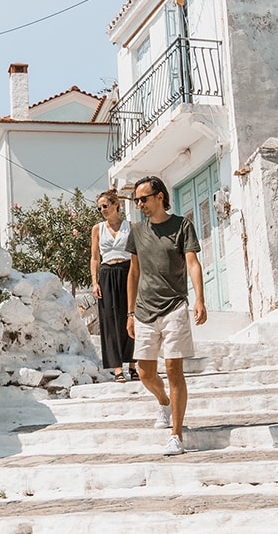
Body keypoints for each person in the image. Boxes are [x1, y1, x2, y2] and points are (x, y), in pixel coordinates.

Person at [125, 176, 207, 455]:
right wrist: (130, 313)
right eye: (137, 200)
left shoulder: (182, 225)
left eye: (144, 199)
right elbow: (133, 272)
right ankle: (163, 402)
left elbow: (192, 263)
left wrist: (200, 299)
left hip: (175, 305)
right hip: (145, 309)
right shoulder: (136, 231)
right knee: (144, 371)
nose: (140, 204)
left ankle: (177, 435)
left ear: (160, 197)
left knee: (173, 368)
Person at [90, 188, 136, 383]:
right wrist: (94, 281)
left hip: (128, 272)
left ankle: (133, 365)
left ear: (116, 205)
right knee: (110, 321)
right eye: (99, 207)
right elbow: (94, 257)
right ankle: (118, 368)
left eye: (105, 206)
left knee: (131, 316)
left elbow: (136, 255)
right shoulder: (97, 229)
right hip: (107, 274)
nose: (102, 210)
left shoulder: (130, 226)